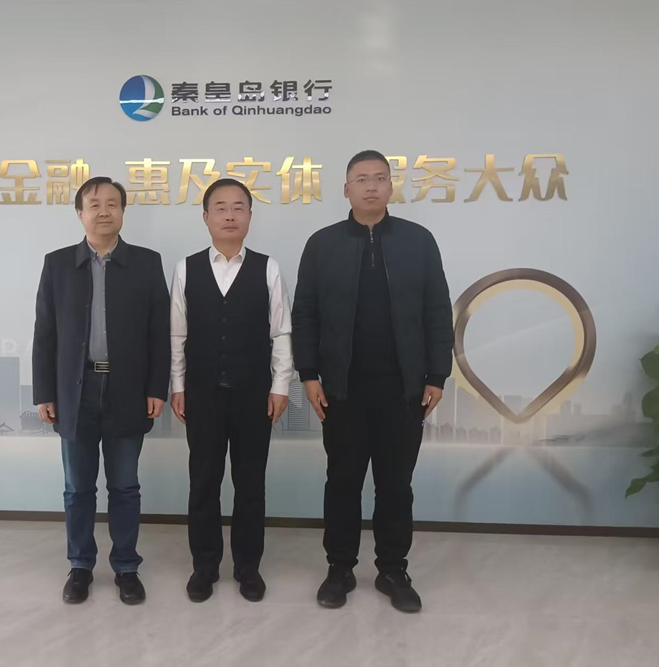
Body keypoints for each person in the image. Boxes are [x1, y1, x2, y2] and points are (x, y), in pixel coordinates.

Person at [291, 150, 453, 613]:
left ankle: (393, 569)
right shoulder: (322, 244)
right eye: (361, 179)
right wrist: (309, 374)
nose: (371, 186)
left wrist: (437, 374)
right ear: (346, 189)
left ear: (390, 187)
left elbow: (438, 311)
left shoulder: (418, 241)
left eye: (380, 178)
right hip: (341, 389)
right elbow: (305, 314)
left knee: (396, 484)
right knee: (342, 481)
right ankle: (339, 568)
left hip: (403, 388)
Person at [32, 176, 170, 605]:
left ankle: (126, 567)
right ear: (80, 213)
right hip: (75, 390)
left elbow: (159, 332)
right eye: (94, 204)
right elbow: (45, 333)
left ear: (123, 212)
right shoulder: (58, 264)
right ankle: (80, 566)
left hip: (127, 389)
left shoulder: (146, 263)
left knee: (125, 485)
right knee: (78, 487)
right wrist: (44, 392)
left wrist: (157, 387)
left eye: (113, 204)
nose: (104, 211)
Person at [170, 178, 294, 603]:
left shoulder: (268, 268)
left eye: (238, 207)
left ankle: (247, 567)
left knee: (250, 484)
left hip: (254, 395)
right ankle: (204, 567)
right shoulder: (186, 269)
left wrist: (280, 386)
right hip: (202, 394)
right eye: (220, 208)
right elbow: (177, 335)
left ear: (250, 217)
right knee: (203, 482)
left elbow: (281, 332)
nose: (229, 215)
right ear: (205, 217)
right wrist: (178, 385)